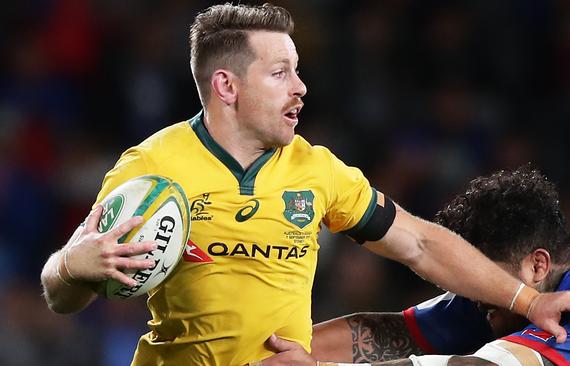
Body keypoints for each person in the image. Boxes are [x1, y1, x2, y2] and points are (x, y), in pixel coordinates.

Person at [40, 3, 570, 365]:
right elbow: (65, 293)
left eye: (297, 71)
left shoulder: (316, 170)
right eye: (280, 73)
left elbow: (421, 243)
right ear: (227, 85)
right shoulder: (149, 169)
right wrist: (69, 267)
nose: (300, 87)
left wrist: (527, 302)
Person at [259, 166, 570, 365]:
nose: (479, 291)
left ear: (538, 266)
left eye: (487, 271)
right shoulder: (491, 306)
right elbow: (386, 334)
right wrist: (263, 353)